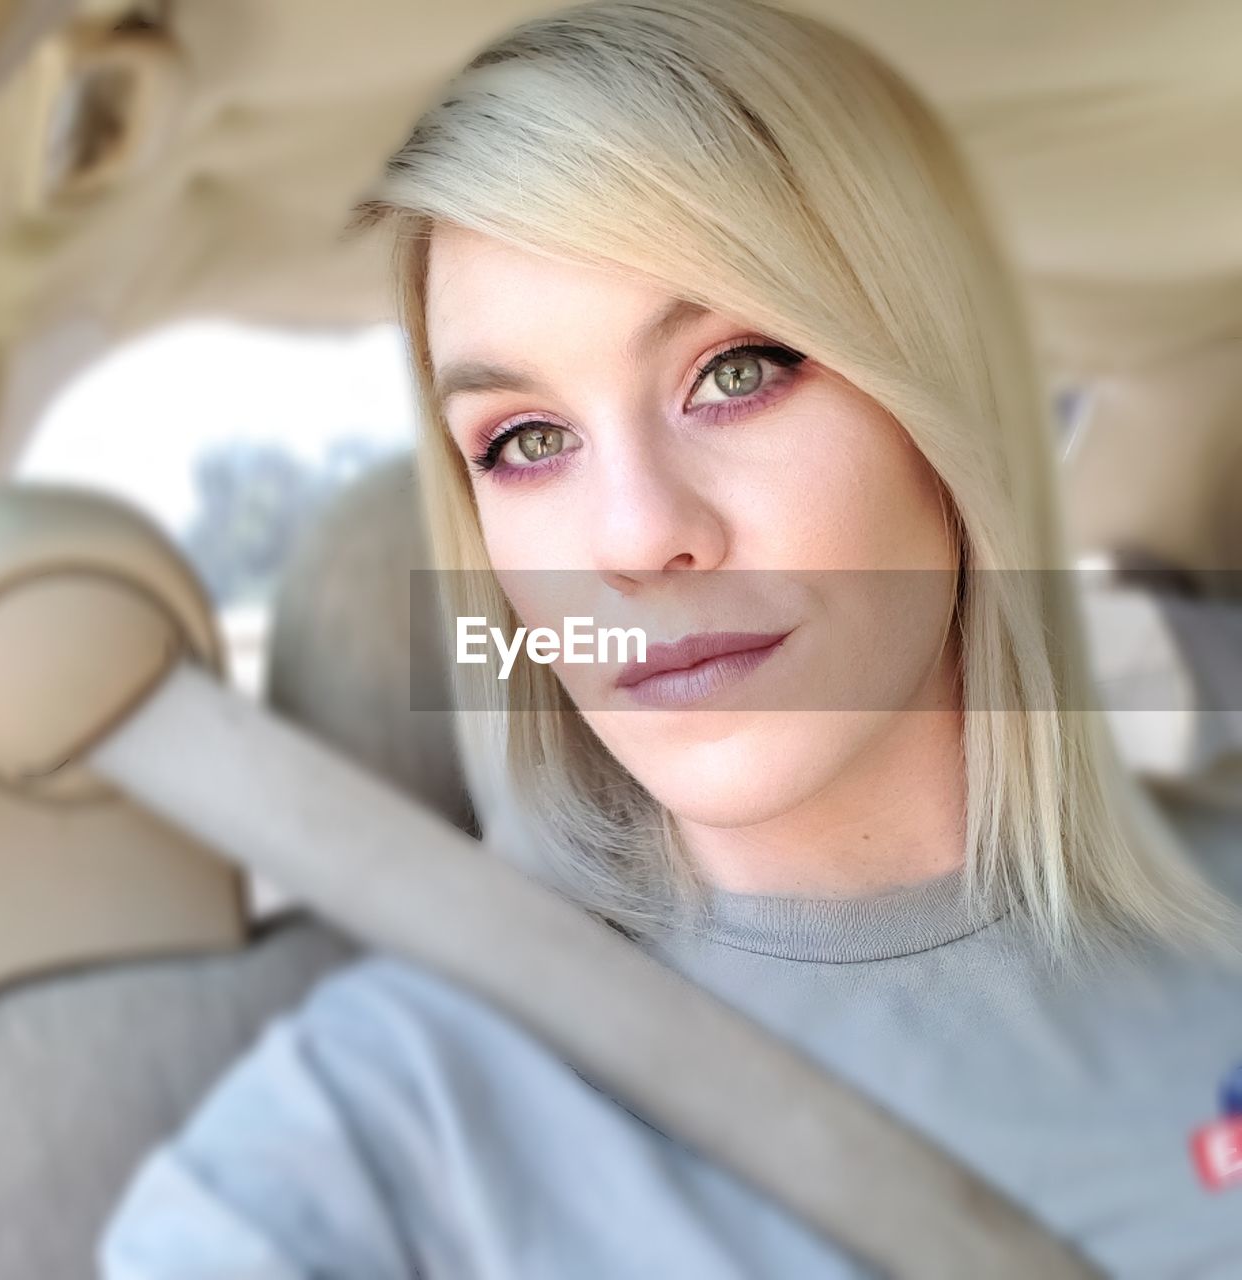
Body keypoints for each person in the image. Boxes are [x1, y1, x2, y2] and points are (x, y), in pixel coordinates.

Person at [99, 1, 1242, 1275]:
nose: (638, 537)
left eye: (737, 368)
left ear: (943, 400)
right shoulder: (384, 1125)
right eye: (525, 442)